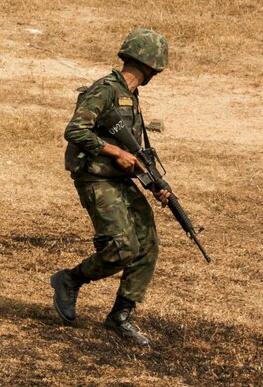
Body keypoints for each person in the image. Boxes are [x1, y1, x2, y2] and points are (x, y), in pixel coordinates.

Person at [51, 28, 172, 347]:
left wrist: (154, 184)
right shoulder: (105, 90)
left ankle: (120, 315)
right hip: (95, 177)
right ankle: (70, 279)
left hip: (117, 179)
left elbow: (131, 152)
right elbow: (75, 131)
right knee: (123, 247)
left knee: (147, 243)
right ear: (152, 65)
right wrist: (115, 152)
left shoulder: (130, 97)